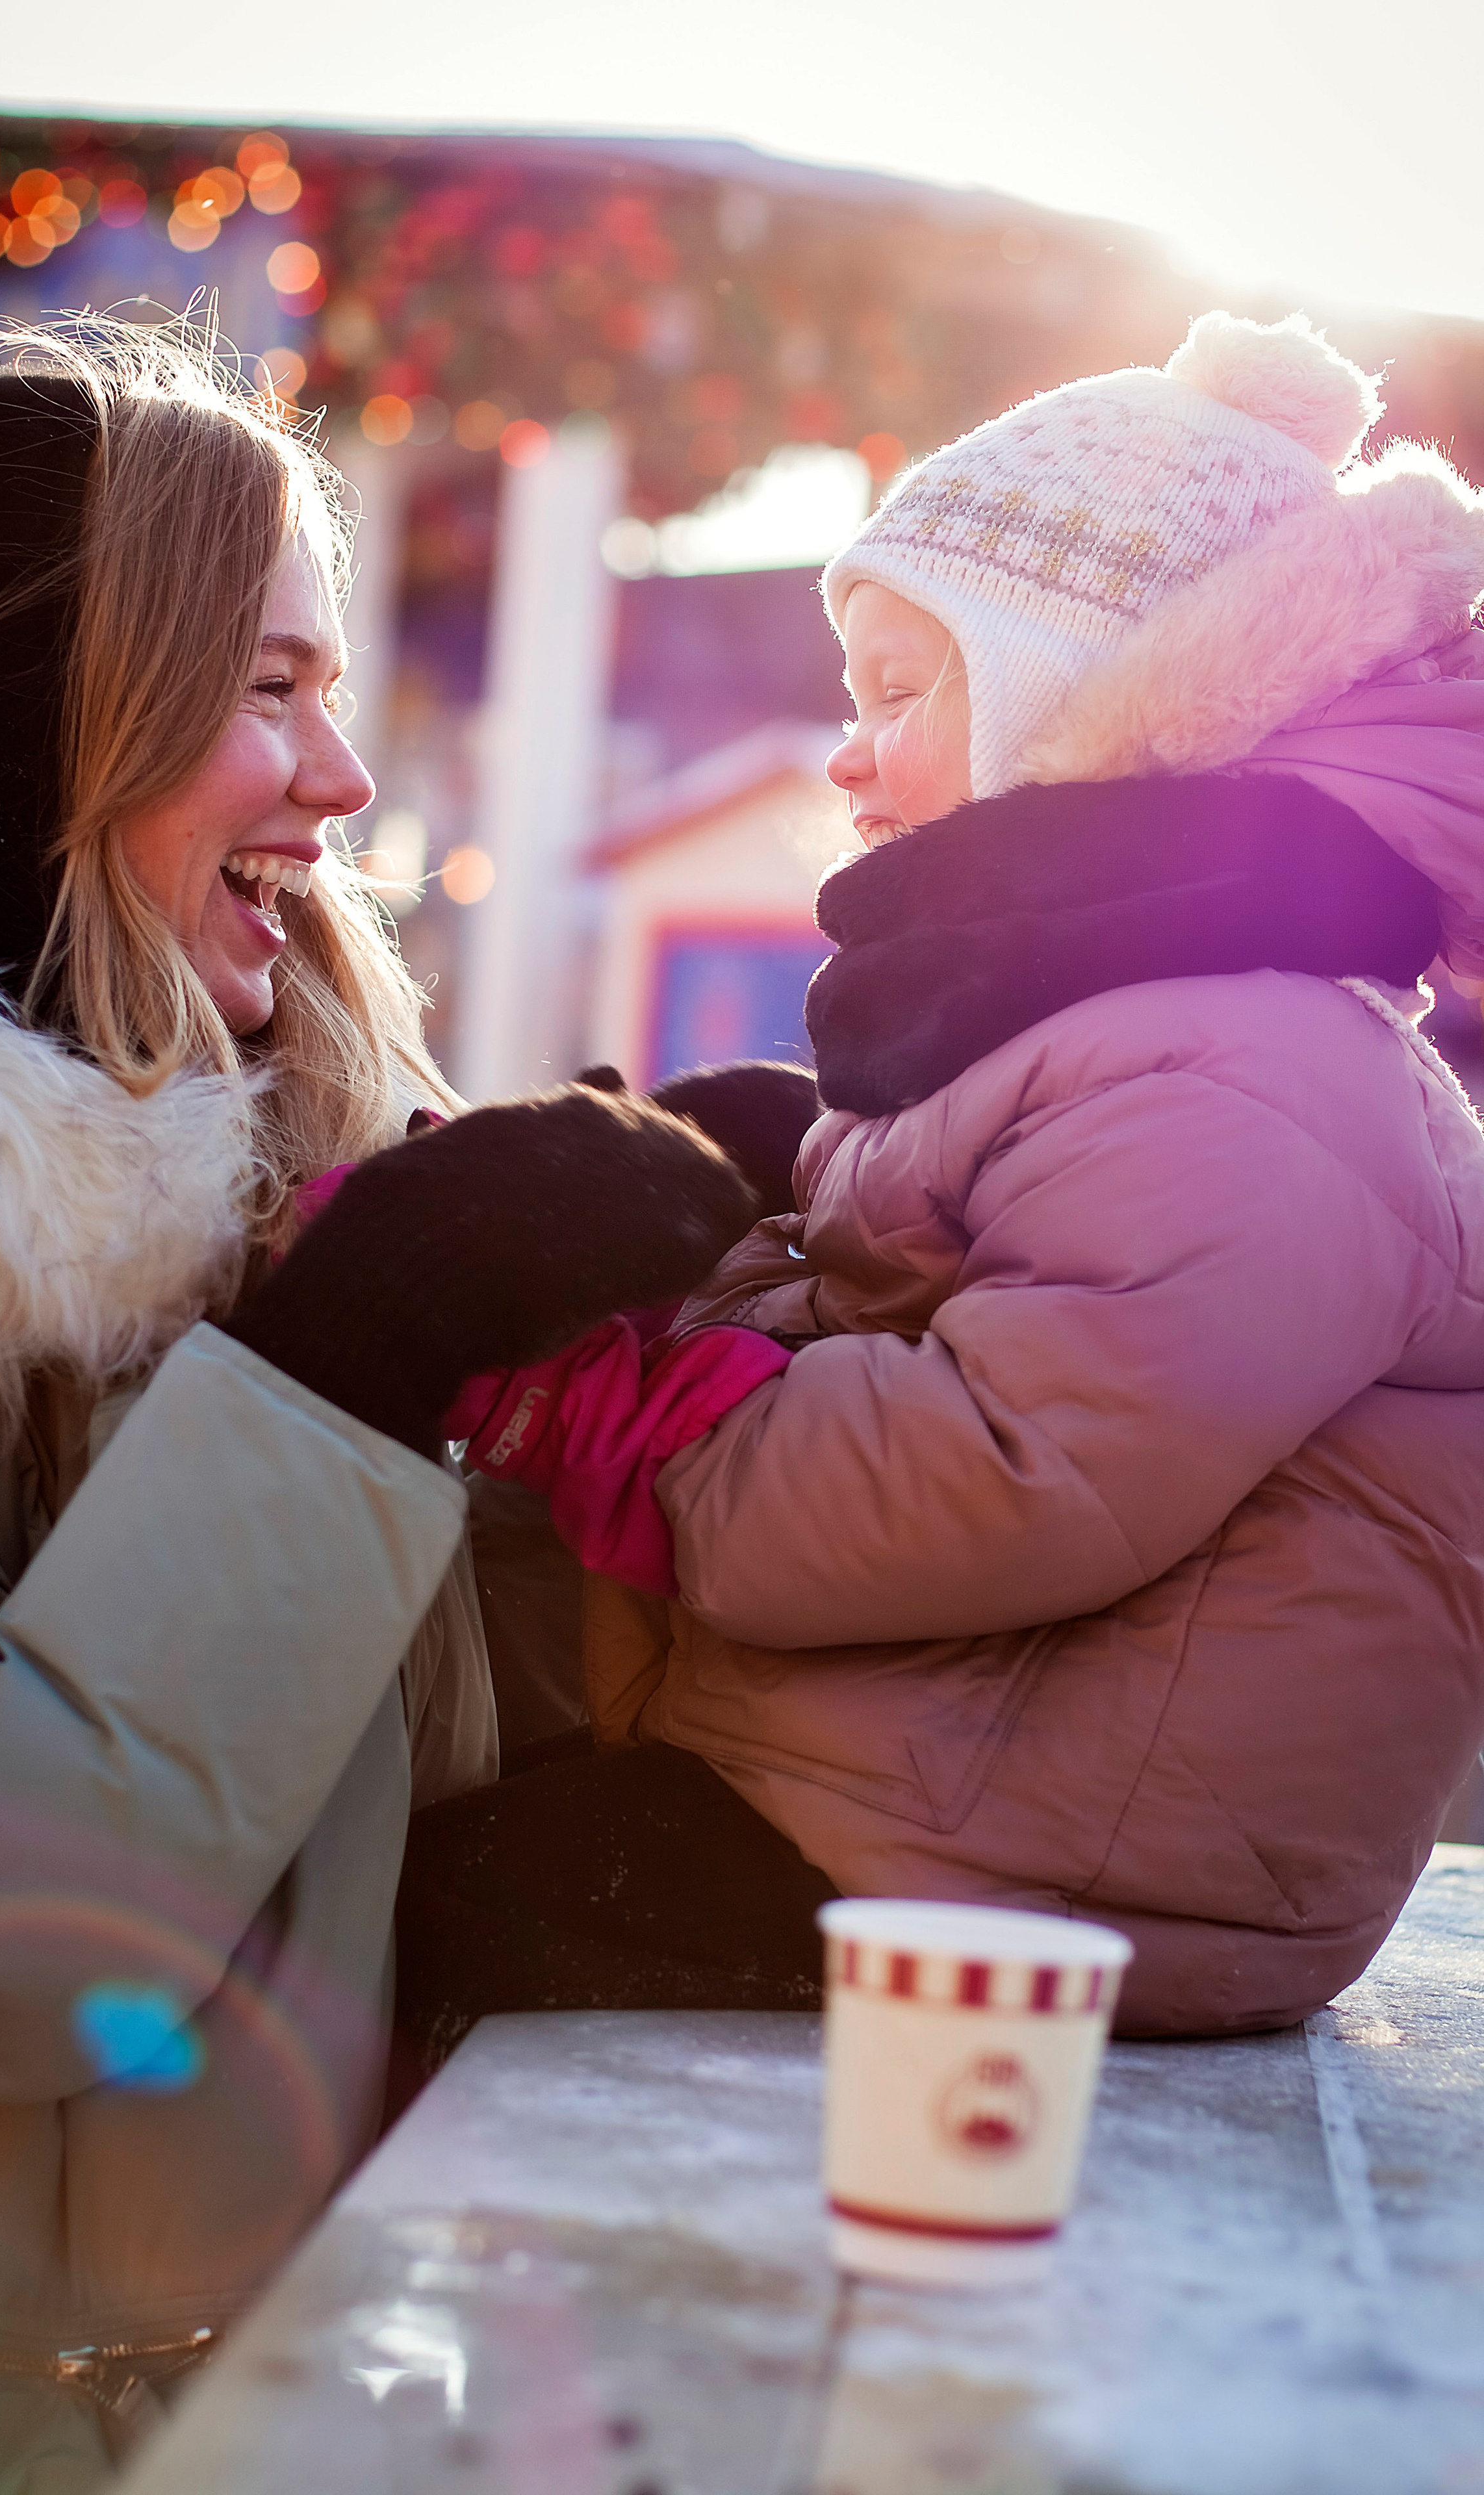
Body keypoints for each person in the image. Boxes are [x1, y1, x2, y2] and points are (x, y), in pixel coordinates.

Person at [0, 318, 751, 2490]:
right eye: (265, 691)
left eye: (331, 687)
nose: (342, 783)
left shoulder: (214, 1224)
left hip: (279, 2410)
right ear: (8, 733)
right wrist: (352, 1358)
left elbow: (331, 1766)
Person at [395, 312, 1484, 2070]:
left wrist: (611, 1409)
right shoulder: (1108, 1032)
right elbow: (888, 1317)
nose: (848, 754)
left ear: (1115, 714)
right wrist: (671, 1230)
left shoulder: (1249, 1072)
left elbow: (1007, 1472)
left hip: (1053, 1885)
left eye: (906, 695)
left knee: (430, 1910)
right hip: (931, 1801)